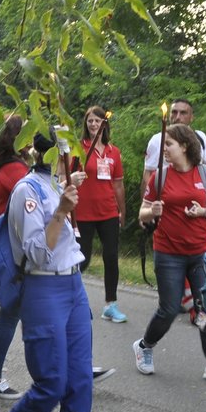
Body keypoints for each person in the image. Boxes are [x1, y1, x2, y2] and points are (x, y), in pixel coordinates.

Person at [0, 135, 107, 412]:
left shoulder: (58, 184)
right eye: (62, 148)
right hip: (42, 289)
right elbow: (37, 253)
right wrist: (62, 211)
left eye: (70, 148)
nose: (69, 154)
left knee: (80, 380)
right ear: (41, 152)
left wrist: (67, 198)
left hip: (73, 285)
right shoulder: (26, 190)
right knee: (52, 383)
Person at [133, 123, 206, 384]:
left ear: (185, 146)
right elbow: (142, 212)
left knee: (204, 308)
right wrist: (151, 212)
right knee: (168, 308)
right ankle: (145, 345)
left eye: (169, 144)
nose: (164, 149)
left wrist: (203, 212)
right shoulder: (160, 177)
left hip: (201, 252)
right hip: (168, 252)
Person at [0, 115, 30, 399]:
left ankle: (75, 366)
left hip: (18, 248)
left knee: (20, 313)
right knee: (12, 312)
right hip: (18, 251)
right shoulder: (15, 170)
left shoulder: (10, 166)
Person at [75, 105, 127, 325]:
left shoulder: (113, 151)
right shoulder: (79, 148)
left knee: (111, 256)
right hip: (83, 212)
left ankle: (110, 304)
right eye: (90, 121)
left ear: (104, 124)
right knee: (82, 258)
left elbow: (118, 185)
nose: (94, 124)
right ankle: (72, 299)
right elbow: (66, 177)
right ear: (86, 124)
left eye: (97, 121)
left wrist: (122, 211)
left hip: (107, 211)